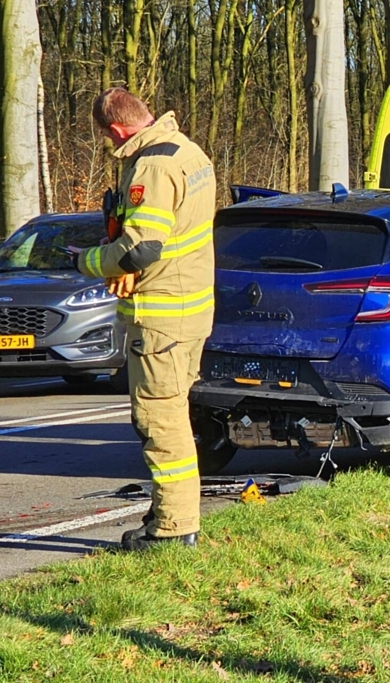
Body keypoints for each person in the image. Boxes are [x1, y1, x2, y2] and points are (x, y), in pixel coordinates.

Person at [71, 88, 216, 550]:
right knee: (172, 416)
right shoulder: (188, 150)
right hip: (187, 312)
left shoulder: (152, 165)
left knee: (160, 422)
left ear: (115, 129)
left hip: (161, 320)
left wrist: (88, 262)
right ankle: (168, 515)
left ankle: (173, 531)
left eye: (106, 138)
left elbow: (141, 248)